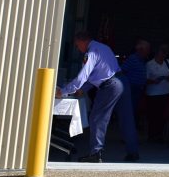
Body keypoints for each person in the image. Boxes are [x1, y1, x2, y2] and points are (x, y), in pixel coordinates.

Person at [56, 30, 140, 163]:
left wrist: (64, 91)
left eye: (77, 45)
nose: (78, 49)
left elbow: (82, 77)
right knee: (127, 118)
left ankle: (96, 153)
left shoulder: (91, 53)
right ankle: (133, 151)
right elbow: (98, 74)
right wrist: (82, 90)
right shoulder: (103, 48)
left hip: (110, 86)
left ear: (83, 41)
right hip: (123, 81)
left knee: (97, 118)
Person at [145, 44, 169, 143]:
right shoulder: (150, 64)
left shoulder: (168, 62)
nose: (163, 55)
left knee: (162, 115)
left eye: (165, 53)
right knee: (153, 114)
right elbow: (145, 79)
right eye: (162, 52)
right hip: (153, 93)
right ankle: (152, 135)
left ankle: (159, 135)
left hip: (166, 91)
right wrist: (153, 81)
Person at [121, 39, 150, 127]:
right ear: (141, 50)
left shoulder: (142, 59)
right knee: (130, 111)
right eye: (147, 49)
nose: (148, 51)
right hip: (132, 89)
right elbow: (122, 70)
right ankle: (127, 133)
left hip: (138, 89)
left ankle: (131, 131)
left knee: (135, 111)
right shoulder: (133, 58)